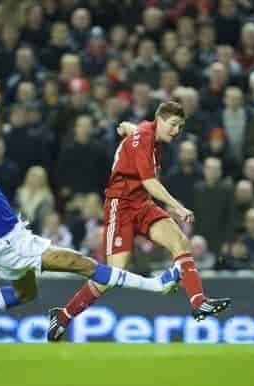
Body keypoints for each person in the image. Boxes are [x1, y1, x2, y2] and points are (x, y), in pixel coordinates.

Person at [0, 119, 179, 342]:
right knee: (85, 265)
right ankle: (156, 285)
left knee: (25, 293)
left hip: (2, 243)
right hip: (10, 241)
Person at [48, 101, 231, 341]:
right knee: (113, 275)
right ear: (161, 119)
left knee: (180, 241)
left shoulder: (147, 134)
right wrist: (177, 206)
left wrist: (127, 128)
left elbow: (140, 134)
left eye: (180, 127)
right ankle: (62, 317)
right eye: (173, 125)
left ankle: (199, 302)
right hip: (120, 205)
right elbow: (149, 181)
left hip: (142, 204)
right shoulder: (145, 137)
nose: (176, 131)